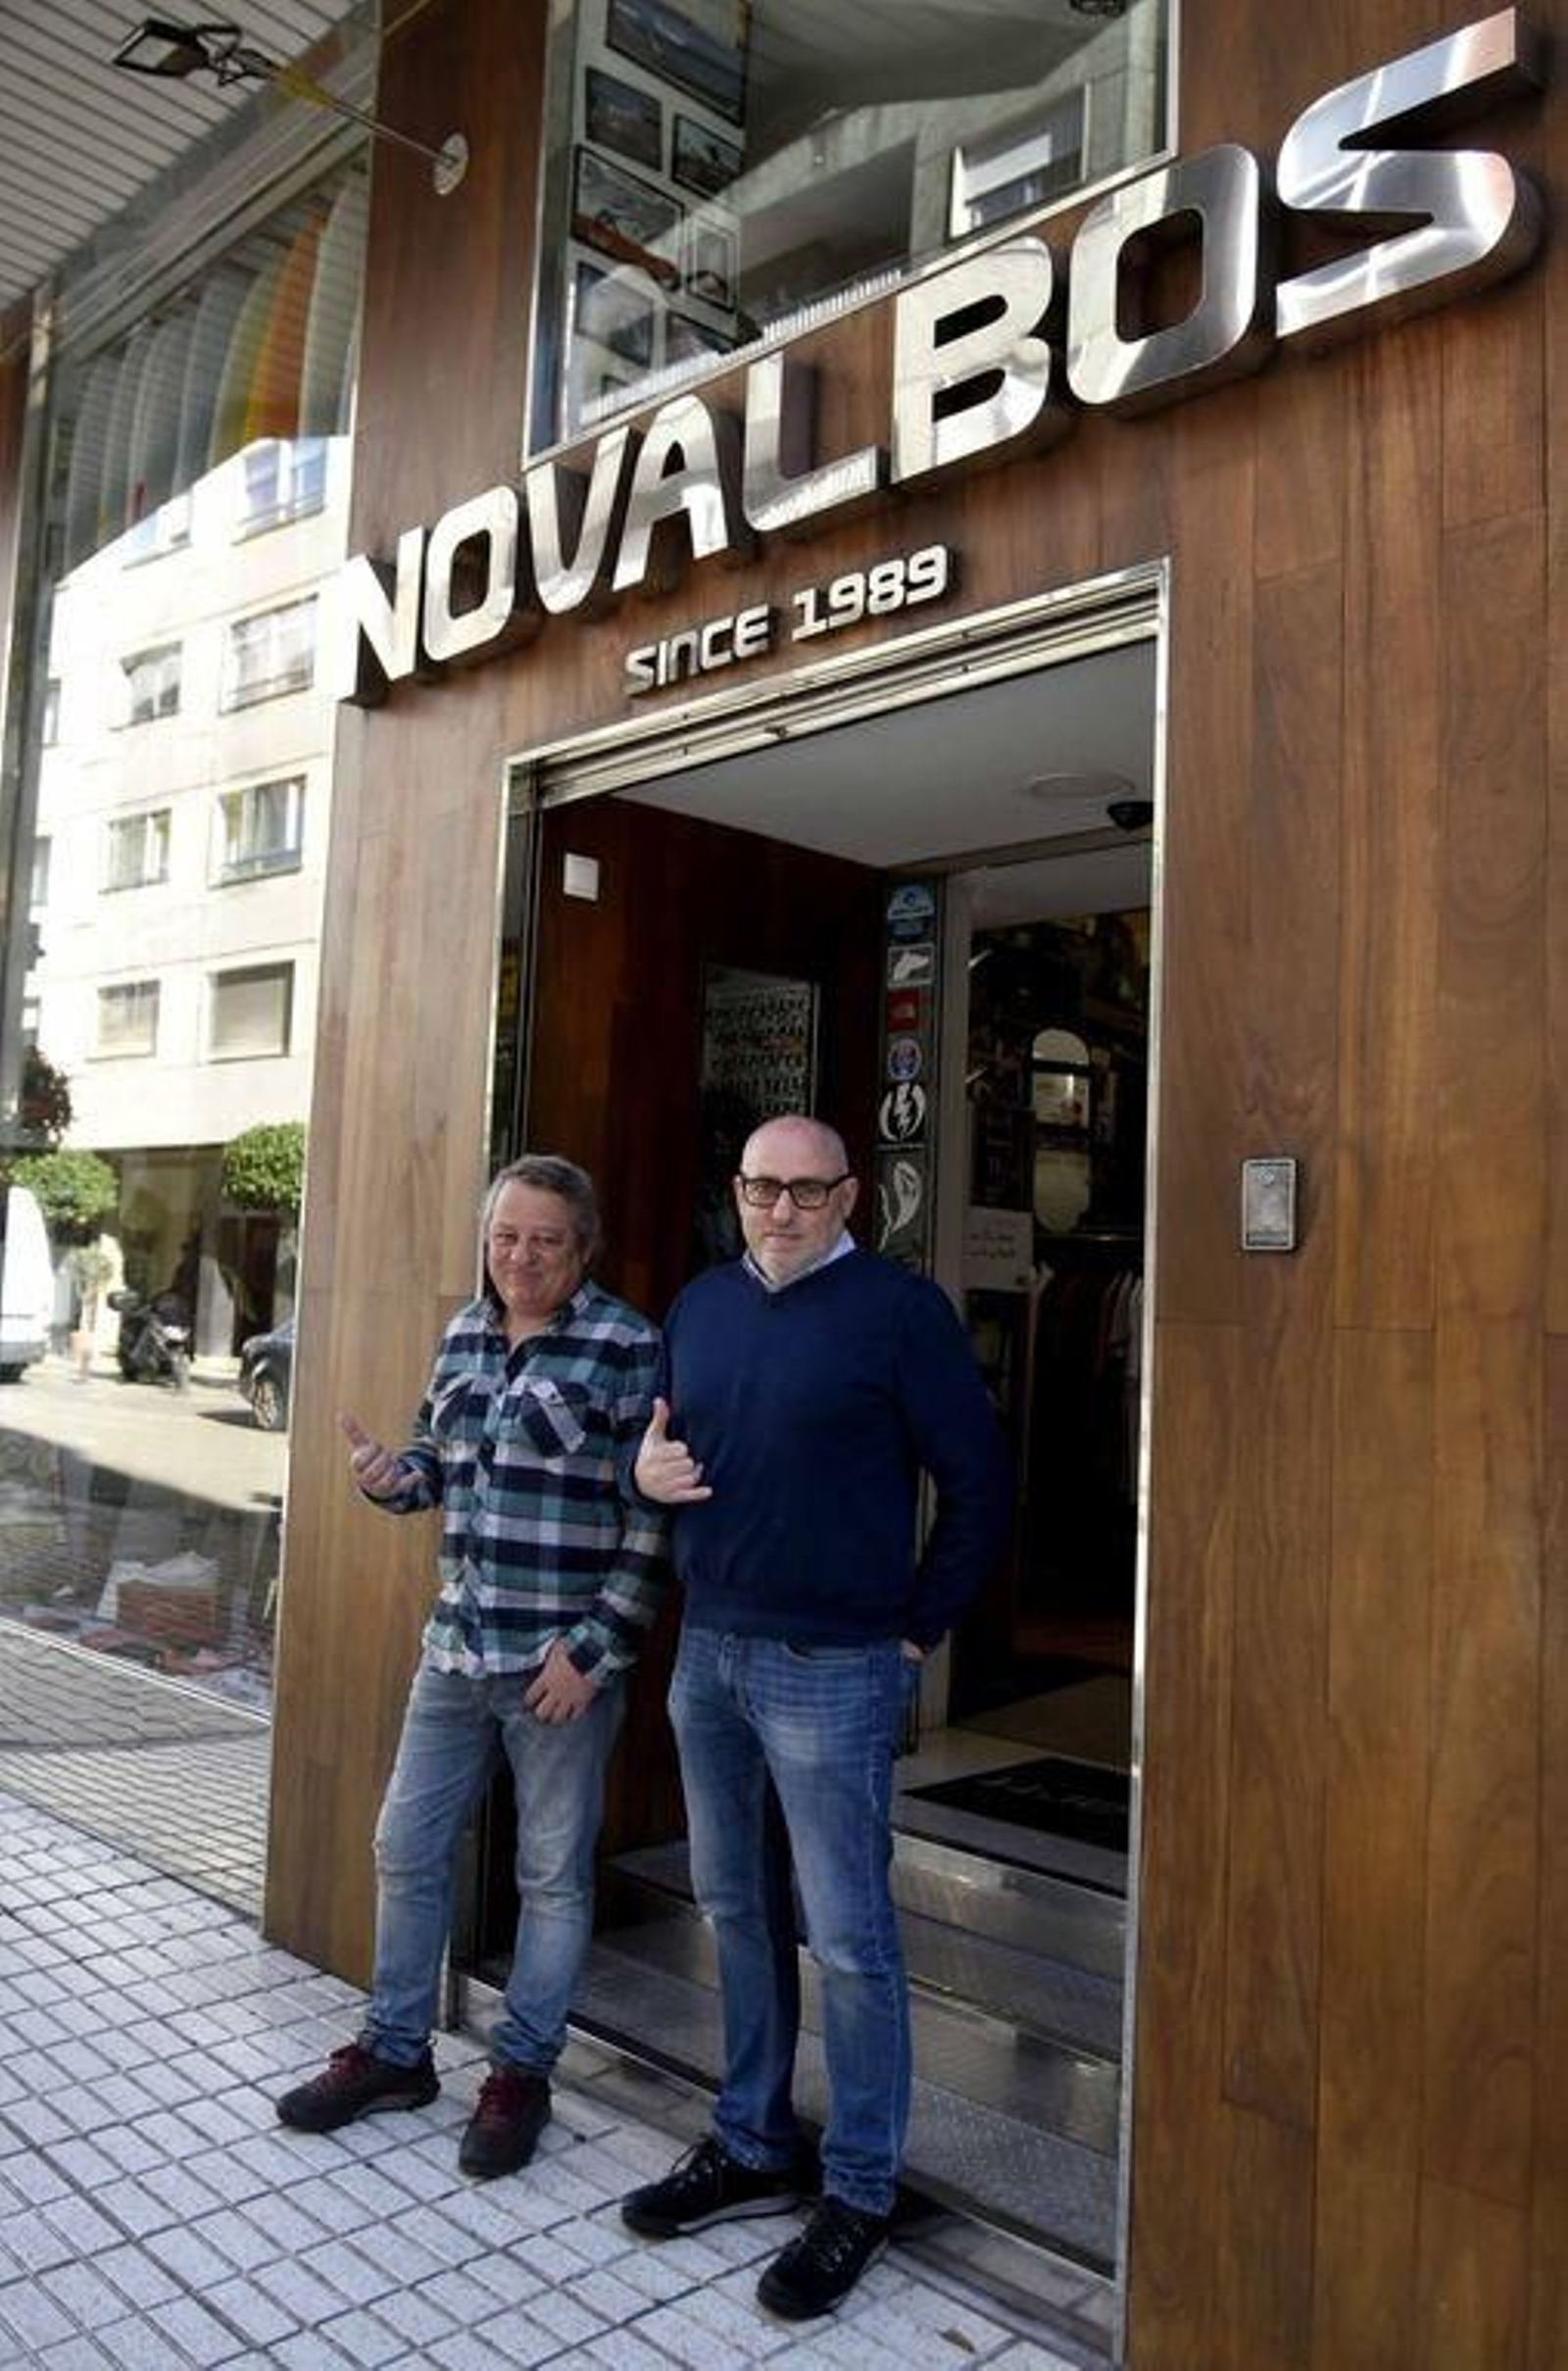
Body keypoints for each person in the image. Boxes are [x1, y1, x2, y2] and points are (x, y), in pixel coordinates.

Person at [620, 1114, 1009, 2320]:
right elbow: (668, 1450)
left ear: (849, 1196)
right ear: (734, 1192)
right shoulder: (698, 1306)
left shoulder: (899, 1312)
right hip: (711, 1650)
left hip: (835, 1665)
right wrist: (643, 1477)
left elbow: (984, 1481)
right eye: (757, 1188)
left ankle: (860, 2184)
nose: (779, 1209)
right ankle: (750, 2140)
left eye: (803, 1190)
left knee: (849, 1937)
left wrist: (914, 1631)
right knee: (734, 1907)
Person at [276, 1155, 666, 2179]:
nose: (521, 1256)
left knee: (549, 1876)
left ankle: (520, 2072)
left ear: (581, 1245)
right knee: (404, 1847)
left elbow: (651, 1519)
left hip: (556, 1667)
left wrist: (594, 1650)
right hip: (454, 1649)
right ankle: (397, 2050)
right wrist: (386, 1476)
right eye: (505, 1237)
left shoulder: (627, 1344)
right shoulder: (462, 1331)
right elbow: (434, 1469)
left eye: (544, 1238)